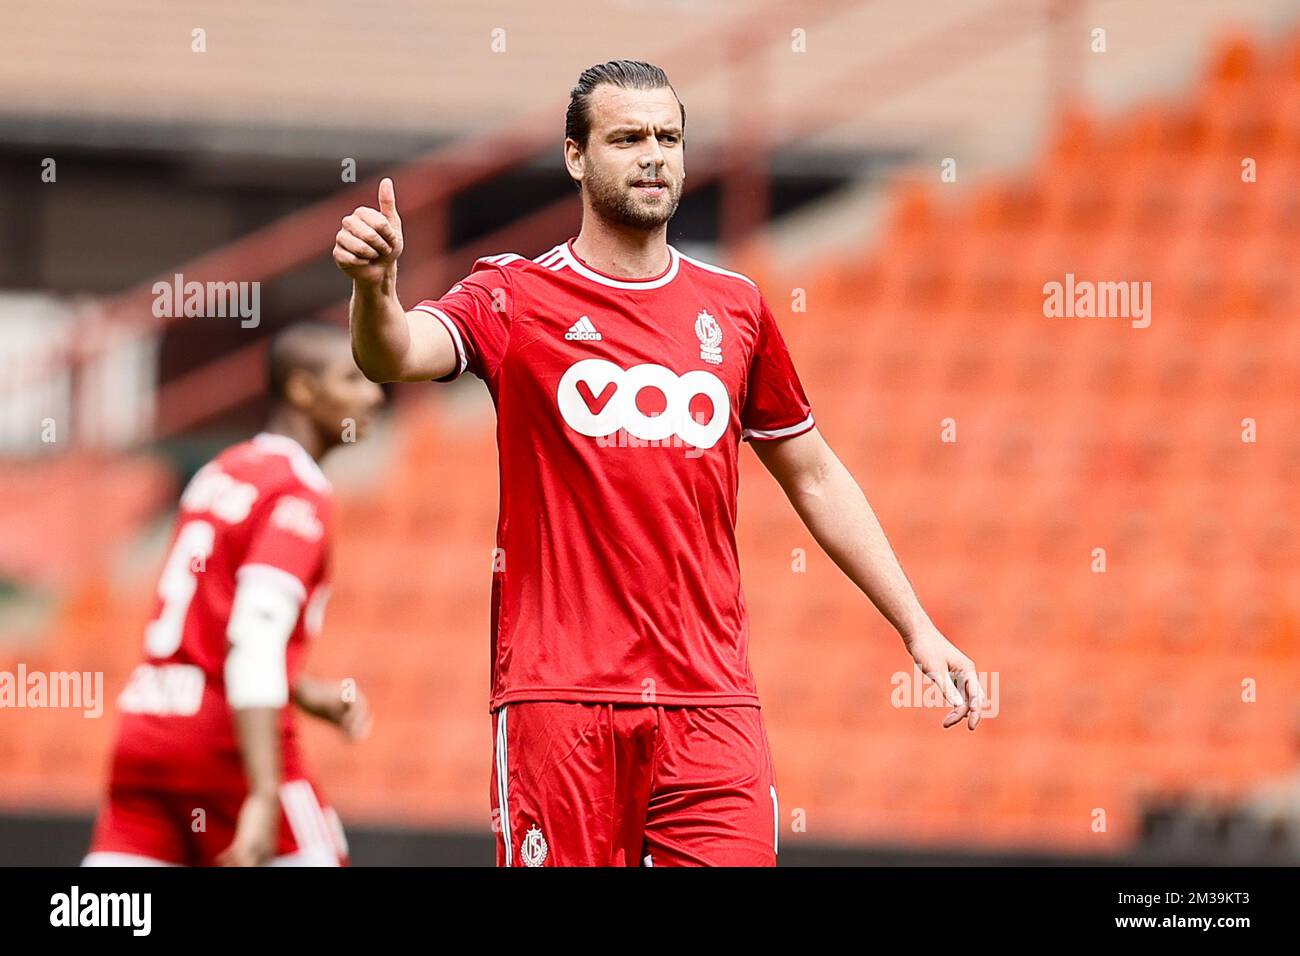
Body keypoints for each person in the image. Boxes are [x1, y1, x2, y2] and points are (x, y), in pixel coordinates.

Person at [337, 59, 984, 867]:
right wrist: (374, 290)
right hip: (560, 700)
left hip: (711, 702)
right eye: (628, 138)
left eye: (669, 138)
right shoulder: (514, 296)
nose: (654, 156)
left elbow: (813, 474)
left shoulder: (736, 308)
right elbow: (394, 354)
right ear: (576, 156)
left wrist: (916, 625)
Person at [84, 322, 383, 866]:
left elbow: (206, 625)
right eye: (352, 379)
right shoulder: (297, 490)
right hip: (224, 748)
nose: (374, 394)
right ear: (302, 391)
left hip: (147, 730)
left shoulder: (220, 470)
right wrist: (264, 794)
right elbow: (254, 634)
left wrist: (298, 689)